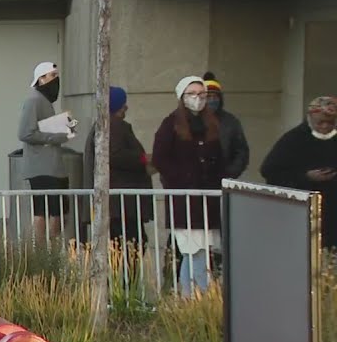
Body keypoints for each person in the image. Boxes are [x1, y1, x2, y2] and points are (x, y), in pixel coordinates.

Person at [152, 76, 226, 294]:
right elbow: (160, 159)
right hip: (184, 200)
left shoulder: (211, 124)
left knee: (202, 252)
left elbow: (219, 158)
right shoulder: (171, 124)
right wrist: (181, 179)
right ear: (182, 97)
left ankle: (193, 297)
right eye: (192, 94)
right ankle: (193, 297)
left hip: (207, 200)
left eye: (201, 94)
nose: (198, 98)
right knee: (192, 252)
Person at [80, 86, 154, 253]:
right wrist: (143, 159)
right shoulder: (113, 127)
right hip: (120, 205)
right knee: (128, 249)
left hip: (118, 205)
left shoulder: (104, 126)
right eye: (122, 104)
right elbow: (115, 155)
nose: (125, 108)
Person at [261, 96, 337, 250]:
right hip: (303, 213)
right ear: (309, 118)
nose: (324, 126)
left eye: (330, 123)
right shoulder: (293, 139)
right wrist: (306, 177)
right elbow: (270, 171)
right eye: (320, 122)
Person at [18, 61, 75, 244]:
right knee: (45, 212)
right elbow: (25, 132)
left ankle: (49, 248)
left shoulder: (42, 101)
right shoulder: (33, 101)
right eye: (52, 76)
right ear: (41, 79)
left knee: (57, 212)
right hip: (42, 167)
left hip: (51, 166)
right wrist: (56, 136)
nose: (56, 80)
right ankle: (44, 251)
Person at [200, 73, 249, 180]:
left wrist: (230, 174)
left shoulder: (230, 122)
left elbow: (241, 152)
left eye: (215, 96)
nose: (212, 100)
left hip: (221, 182)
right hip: (193, 185)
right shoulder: (188, 120)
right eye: (208, 96)